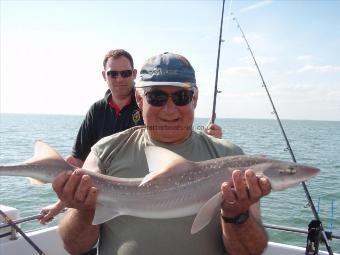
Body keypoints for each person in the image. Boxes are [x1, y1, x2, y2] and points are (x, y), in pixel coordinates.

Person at [52, 52, 271, 255]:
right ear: (139, 100)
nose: (169, 109)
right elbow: (74, 246)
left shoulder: (231, 158)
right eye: (156, 97)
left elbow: (250, 251)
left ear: (194, 99)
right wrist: (84, 210)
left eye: (181, 97)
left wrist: (237, 215)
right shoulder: (105, 151)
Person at [39, 49, 222, 224]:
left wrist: (209, 140)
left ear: (134, 75)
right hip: (111, 196)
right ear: (105, 75)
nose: (119, 79)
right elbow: (78, 159)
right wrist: (62, 203)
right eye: (113, 74)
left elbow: (175, 135)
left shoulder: (146, 106)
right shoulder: (97, 111)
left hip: (153, 193)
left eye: (125, 73)